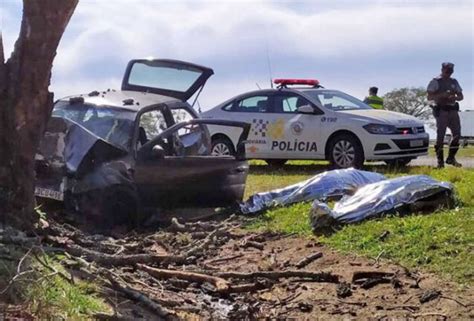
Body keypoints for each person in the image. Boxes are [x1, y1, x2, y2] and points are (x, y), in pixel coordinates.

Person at [427, 62, 464, 168]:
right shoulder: (436, 81)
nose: (449, 73)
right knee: (440, 136)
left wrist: (455, 97)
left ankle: (451, 158)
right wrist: (441, 95)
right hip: (441, 110)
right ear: (442, 69)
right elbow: (429, 97)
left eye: (451, 71)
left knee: (457, 135)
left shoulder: (454, 81)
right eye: (447, 70)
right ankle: (440, 162)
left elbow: (461, 96)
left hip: (453, 110)